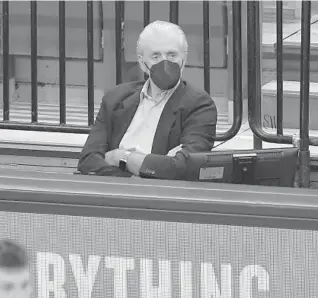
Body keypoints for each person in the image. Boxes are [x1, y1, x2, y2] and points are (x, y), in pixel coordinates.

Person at [78, 20, 217, 180]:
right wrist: (134, 178)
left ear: (184, 60)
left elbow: (185, 167)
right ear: (143, 63)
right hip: (113, 190)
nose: (165, 63)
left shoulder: (199, 105)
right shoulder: (116, 98)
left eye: (172, 55)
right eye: (155, 56)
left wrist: (122, 157)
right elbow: (88, 160)